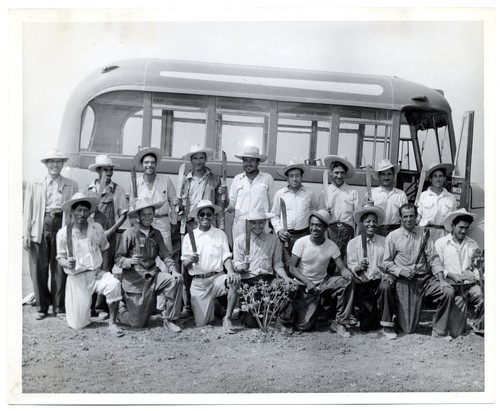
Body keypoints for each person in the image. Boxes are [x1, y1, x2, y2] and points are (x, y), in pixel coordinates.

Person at [277, 209, 355, 336]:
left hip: (322, 283)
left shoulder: (331, 246)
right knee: (304, 326)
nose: (314, 228)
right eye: (312, 224)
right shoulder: (301, 242)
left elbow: (342, 268)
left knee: (346, 281)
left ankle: (340, 323)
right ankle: (286, 322)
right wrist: (307, 282)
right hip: (303, 284)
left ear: (325, 228)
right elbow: (292, 268)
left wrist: (347, 273)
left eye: (318, 225)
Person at [173, 144, 229, 319]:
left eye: (201, 158)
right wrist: (177, 205)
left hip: (208, 224)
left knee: (211, 262)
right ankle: (188, 306)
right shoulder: (185, 179)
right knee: (188, 266)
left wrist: (224, 195)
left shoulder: (215, 179)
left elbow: (223, 206)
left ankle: (215, 302)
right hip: (189, 225)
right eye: (195, 158)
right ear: (191, 160)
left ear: (206, 159)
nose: (198, 161)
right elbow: (180, 208)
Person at [383, 203, 455, 340]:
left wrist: (441, 280)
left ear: (416, 217)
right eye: (405, 216)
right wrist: (400, 271)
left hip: (425, 279)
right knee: (409, 329)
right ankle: (397, 317)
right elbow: (386, 262)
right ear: (400, 218)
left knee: (448, 291)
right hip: (405, 280)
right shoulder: (393, 236)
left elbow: (433, 258)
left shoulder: (424, 233)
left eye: (412, 216)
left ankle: (439, 330)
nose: (409, 219)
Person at [55, 192, 123, 336]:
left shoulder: (96, 228)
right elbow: (59, 258)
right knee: (78, 325)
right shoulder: (63, 233)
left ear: (89, 212)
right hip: (77, 278)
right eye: (78, 210)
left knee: (114, 284)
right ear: (72, 212)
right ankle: (81, 312)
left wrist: (104, 270)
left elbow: (105, 248)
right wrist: (67, 262)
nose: (82, 213)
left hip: (96, 274)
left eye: (85, 210)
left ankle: (112, 322)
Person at [23, 148, 78, 319]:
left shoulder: (72, 184)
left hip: (62, 225)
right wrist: (25, 234)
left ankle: (58, 307)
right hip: (39, 225)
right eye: (52, 161)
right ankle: (42, 306)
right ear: (46, 164)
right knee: (38, 268)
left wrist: (73, 234)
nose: (55, 164)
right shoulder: (35, 183)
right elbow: (28, 209)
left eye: (58, 161)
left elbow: (75, 211)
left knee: (59, 267)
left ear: (62, 164)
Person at [115, 198, 184, 332]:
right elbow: (118, 258)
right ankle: (121, 310)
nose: (147, 218)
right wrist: (129, 261)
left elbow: (165, 254)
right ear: (138, 217)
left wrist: (173, 270)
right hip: (135, 282)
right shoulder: (129, 233)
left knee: (174, 281)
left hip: (153, 277)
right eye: (144, 215)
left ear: (154, 215)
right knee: (138, 323)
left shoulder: (156, 234)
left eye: (150, 214)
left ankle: (169, 319)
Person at [181, 200, 240, 334]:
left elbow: (226, 256)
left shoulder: (220, 234)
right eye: (202, 214)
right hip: (198, 283)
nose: (205, 217)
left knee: (233, 281)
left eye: (209, 214)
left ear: (213, 217)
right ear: (198, 217)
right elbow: (184, 264)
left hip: (216, 279)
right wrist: (190, 260)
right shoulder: (189, 236)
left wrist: (230, 271)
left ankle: (227, 318)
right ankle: (215, 305)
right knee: (202, 323)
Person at [233, 209, 294, 328]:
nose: (257, 226)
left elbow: (277, 264)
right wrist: (241, 268)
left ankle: (283, 323)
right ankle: (248, 310)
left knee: (288, 287)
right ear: (248, 223)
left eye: (261, 222)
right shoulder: (240, 240)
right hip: (249, 281)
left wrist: (286, 278)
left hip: (268, 281)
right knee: (252, 323)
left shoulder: (274, 240)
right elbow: (237, 263)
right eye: (254, 223)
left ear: (266, 222)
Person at [346, 205, 397, 339]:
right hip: (363, 284)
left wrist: (387, 275)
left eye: (374, 221)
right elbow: (351, 266)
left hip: (379, 282)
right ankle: (367, 314)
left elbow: (389, 262)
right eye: (368, 221)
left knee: (386, 286)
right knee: (367, 326)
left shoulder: (384, 241)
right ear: (361, 223)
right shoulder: (353, 243)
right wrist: (359, 267)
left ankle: (387, 325)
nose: (371, 224)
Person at [434, 209, 484, 337]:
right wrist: (451, 275)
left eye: (466, 228)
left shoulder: (472, 244)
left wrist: (477, 277)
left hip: (469, 286)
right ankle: (451, 324)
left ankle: (478, 326)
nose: (463, 231)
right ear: (452, 226)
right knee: (456, 332)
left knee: (481, 294)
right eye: (460, 227)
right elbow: (436, 267)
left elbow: (476, 266)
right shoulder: (441, 243)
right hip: (451, 286)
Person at [129, 147, 177, 256]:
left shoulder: (166, 180)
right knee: (146, 255)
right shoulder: (135, 183)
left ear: (156, 164)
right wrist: (134, 225)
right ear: (142, 164)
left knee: (167, 255)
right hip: (143, 224)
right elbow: (131, 206)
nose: (149, 165)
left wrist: (173, 222)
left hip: (162, 223)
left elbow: (174, 202)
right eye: (146, 162)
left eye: (152, 162)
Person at [271, 159, 317, 269]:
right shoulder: (280, 194)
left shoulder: (309, 193)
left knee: (302, 265)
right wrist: (279, 230)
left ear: (301, 177)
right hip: (285, 237)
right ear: (287, 178)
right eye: (291, 176)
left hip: (303, 236)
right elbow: (274, 215)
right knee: (285, 265)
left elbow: (314, 212)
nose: (295, 179)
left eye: (297, 175)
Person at [87, 154, 128, 271]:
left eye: (111, 170)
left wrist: (111, 231)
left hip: (109, 235)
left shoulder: (118, 189)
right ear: (98, 170)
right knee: (91, 267)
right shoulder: (90, 189)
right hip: (91, 234)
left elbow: (123, 215)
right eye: (106, 170)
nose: (109, 173)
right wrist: (91, 212)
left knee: (105, 269)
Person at [227, 146, 275, 244]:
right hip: (240, 225)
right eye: (245, 160)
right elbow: (231, 206)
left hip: (260, 225)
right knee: (240, 254)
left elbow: (272, 204)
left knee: (261, 255)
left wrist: (270, 224)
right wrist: (224, 198)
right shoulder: (237, 179)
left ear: (258, 162)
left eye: (252, 160)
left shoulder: (267, 178)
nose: (248, 163)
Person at [319, 155, 359, 260]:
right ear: (331, 173)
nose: (339, 176)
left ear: (345, 174)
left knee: (345, 259)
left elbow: (357, 218)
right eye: (336, 172)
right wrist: (324, 212)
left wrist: (356, 237)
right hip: (330, 230)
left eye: (342, 173)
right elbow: (319, 215)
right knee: (329, 259)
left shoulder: (352, 192)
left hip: (347, 231)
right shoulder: (325, 192)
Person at [365, 159, 407, 237]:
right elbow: (364, 217)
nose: (386, 177)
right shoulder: (371, 193)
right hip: (376, 230)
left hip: (395, 231)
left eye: (389, 174)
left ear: (393, 176)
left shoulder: (401, 194)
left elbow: (404, 217)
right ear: (379, 176)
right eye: (383, 174)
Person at [416, 162, 457, 243]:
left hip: (444, 235)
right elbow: (418, 217)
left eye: (440, 176)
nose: (438, 179)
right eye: (435, 176)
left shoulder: (451, 198)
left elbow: (454, 220)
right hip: (426, 234)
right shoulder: (423, 196)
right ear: (430, 179)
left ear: (444, 178)